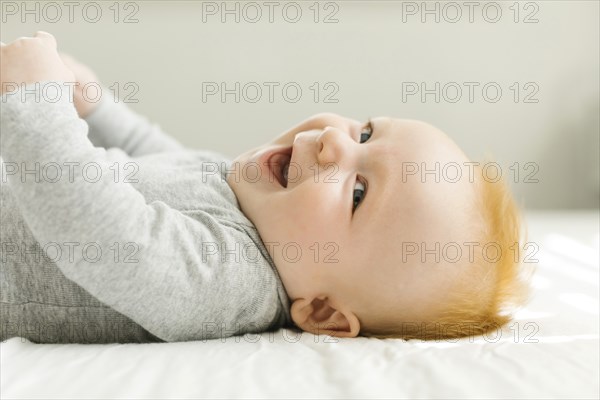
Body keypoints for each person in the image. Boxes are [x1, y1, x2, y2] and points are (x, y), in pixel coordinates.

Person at [0, 32, 533, 343]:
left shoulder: (234, 281)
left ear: (322, 312)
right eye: (366, 132)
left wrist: (36, 102)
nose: (334, 142)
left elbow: (107, 239)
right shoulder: (245, 189)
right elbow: (156, 152)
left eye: (357, 194)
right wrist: (95, 105)